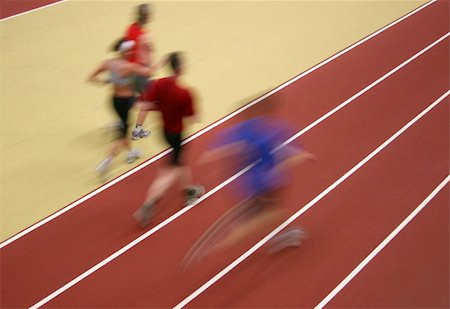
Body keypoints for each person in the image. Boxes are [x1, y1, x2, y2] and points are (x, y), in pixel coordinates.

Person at [182, 98, 315, 269]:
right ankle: (239, 234)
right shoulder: (269, 132)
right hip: (267, 181)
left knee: (265, 207)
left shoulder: (241, 130)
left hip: (247, 182)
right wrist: (301, 157)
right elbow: (282, 153)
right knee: (276, 211)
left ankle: (263, 223)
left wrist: (213, 155)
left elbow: (231, 147)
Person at [133, 52, 204, 228]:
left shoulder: (159, 84)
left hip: (163, 132)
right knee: (168, 172)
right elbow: (193, 117)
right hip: (176, 134)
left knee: (179, 162)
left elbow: (146, 104)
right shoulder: (184, 93)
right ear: (180, 68)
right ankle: (149, 204)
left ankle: (189, 190)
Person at [88, 38, 154, 180]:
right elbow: (149, 72)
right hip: (126, 102)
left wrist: (104, 81)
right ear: (124, 52)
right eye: (129, 50)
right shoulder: (129, 67)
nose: (131, 52)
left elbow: (91, 77)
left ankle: (131, 151)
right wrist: (148, 55)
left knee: (124, 126)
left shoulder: (108, 64)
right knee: (122, 134)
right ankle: (105, 163)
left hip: (114, 101)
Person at [124, 3, 162, 140]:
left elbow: (126, 49)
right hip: (139, 73)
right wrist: (152, 66)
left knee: (130, 97)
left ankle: (122, 121)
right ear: (147, 17)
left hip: (127, 70)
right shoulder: (145, 36)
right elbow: (144, 59)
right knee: (147, 101)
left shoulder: (129, 29)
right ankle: (137, 130)